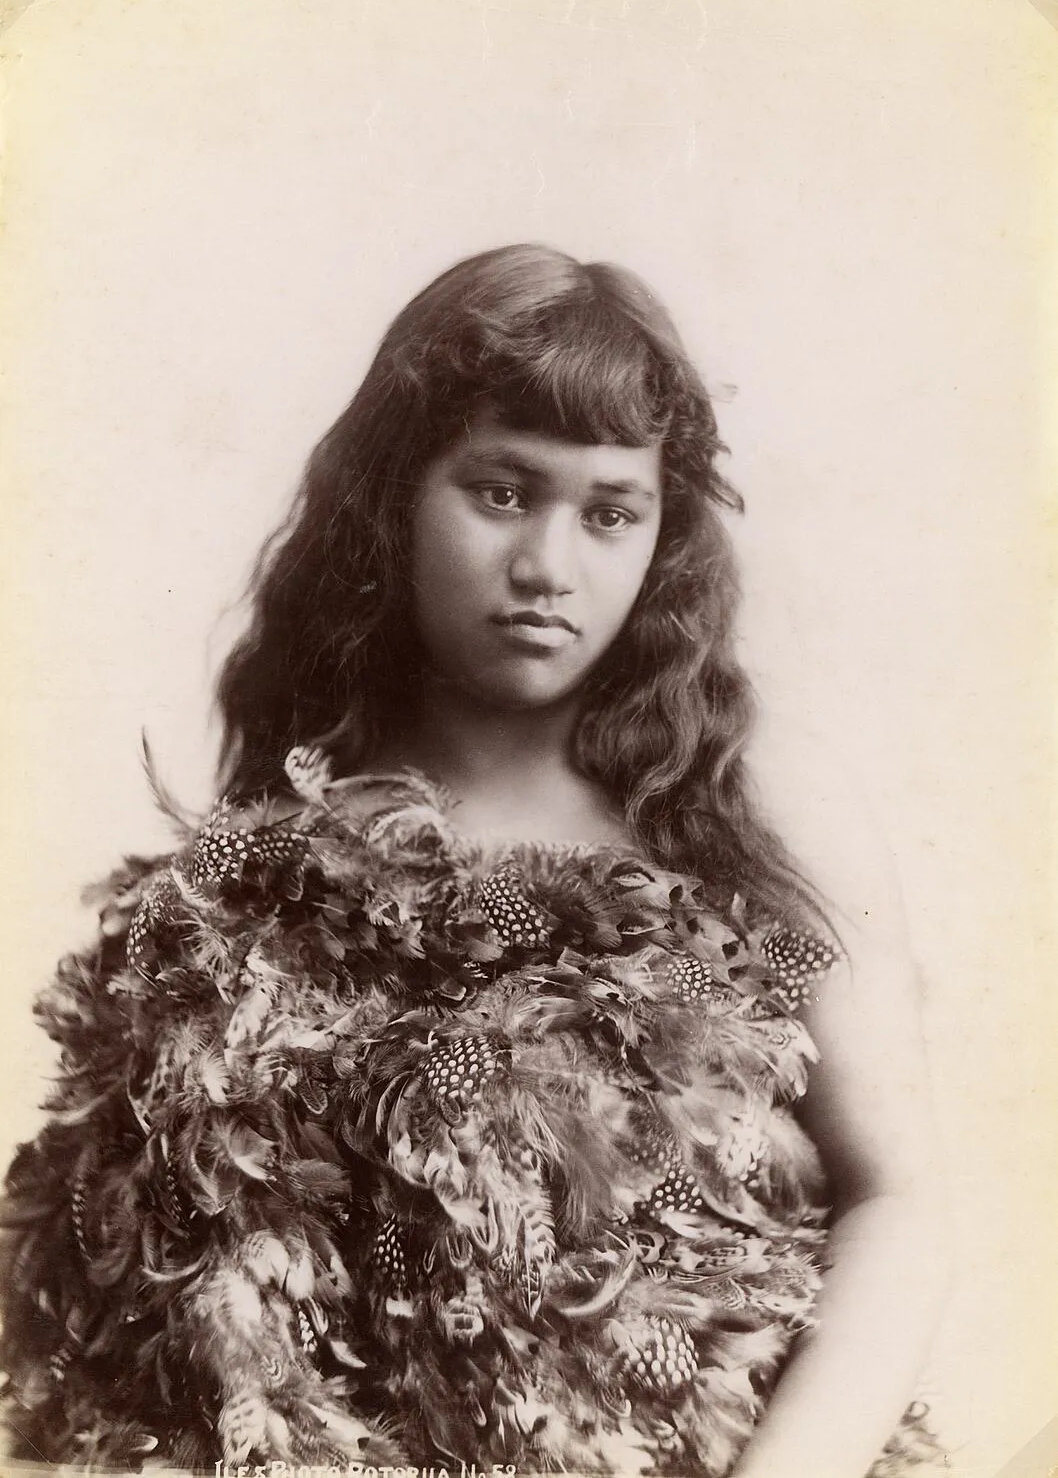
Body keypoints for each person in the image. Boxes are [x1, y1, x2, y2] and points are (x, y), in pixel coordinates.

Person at [0, 245, 947, 1476]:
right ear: (393, 495)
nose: (550, 567)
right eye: (501, 492)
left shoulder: (749, 803)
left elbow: (899, 1200)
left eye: (610, 512)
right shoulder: (288, 833)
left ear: (660, 537)